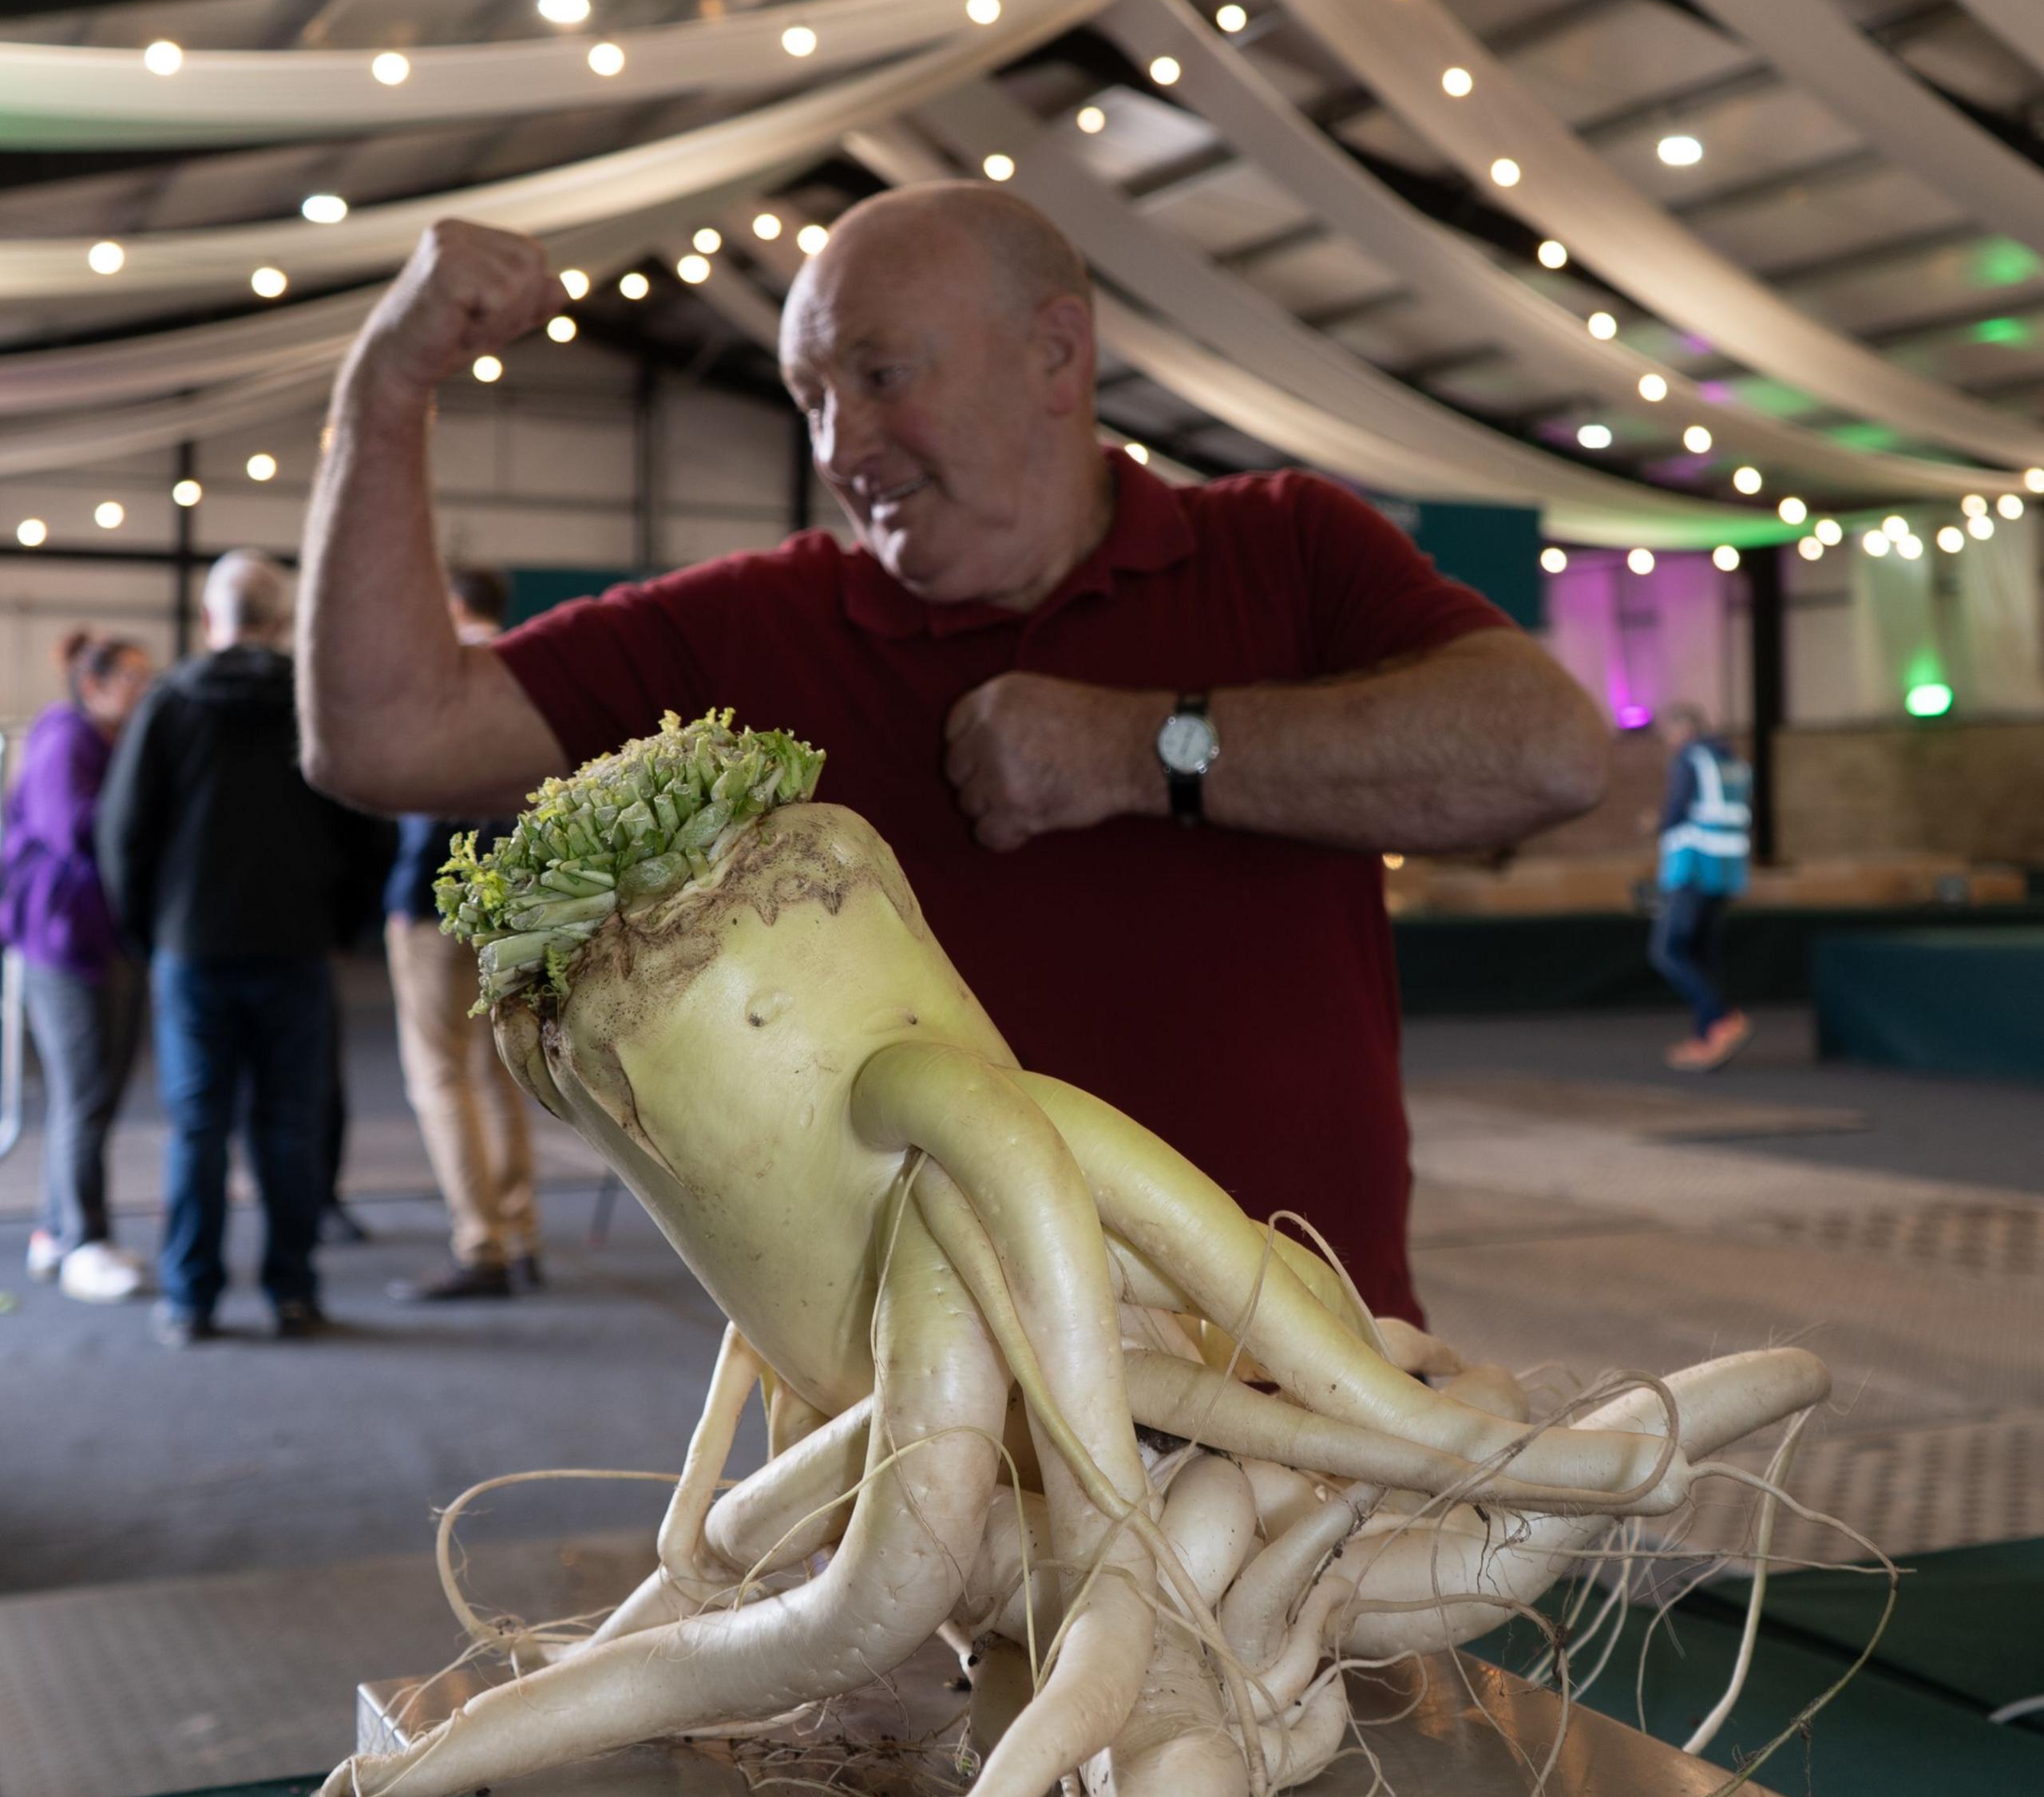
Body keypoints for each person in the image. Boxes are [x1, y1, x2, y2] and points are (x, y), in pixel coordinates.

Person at [299, 192, 1611, 1325]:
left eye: (877, 377)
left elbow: (1547, 751)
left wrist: (1149, 746)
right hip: (925, 1438)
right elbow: (385, 734)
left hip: (1314, 1378)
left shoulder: (1285, 548)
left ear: (1056, 351)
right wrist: (387, 386)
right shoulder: (759, 623)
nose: (838, 448)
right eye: (811, 398)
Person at [97, 551, 390, 1345]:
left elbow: (123, 834)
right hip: (296, 945)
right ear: (281, 620)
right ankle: (293, 1292)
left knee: (197, 1126)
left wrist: (148, 931)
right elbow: (370, 823)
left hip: (193, 949)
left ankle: (191, 1300)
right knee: (288, 1125)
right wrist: (343, 926)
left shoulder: (168, 705)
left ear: (207, 618)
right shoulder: (316, 704)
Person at [382, 562, 542, 1302]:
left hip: (435, 897)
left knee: (440, 1073)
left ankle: (482, 1245)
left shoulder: (439, 674)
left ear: (448, 605)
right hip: (513, 901)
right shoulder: (531, 667)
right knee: (497, 1068)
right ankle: (521, 1231)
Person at [0, 628, 155, 1300]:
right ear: (93, 684)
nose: (144, 692)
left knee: (91, 1095)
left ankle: (57, 1230)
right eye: (132, 679)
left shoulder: (110, 743)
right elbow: (80, 832)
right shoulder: (66, 738)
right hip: (64, 948)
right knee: (85, 1093)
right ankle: (79, 1241)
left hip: (104, 943)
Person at [1649, 701, 1753, 1072]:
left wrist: (1654, 826)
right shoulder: (1733, 764)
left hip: (1692, 867)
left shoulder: (1690, 759)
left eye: (1669, 734)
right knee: (1702, 954)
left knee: (1668, 951)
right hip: (1727, 869)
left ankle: (1722, 1019)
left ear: (1683, 730)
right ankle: (1707, 1036)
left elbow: (1676, 811)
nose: (1668, 742)